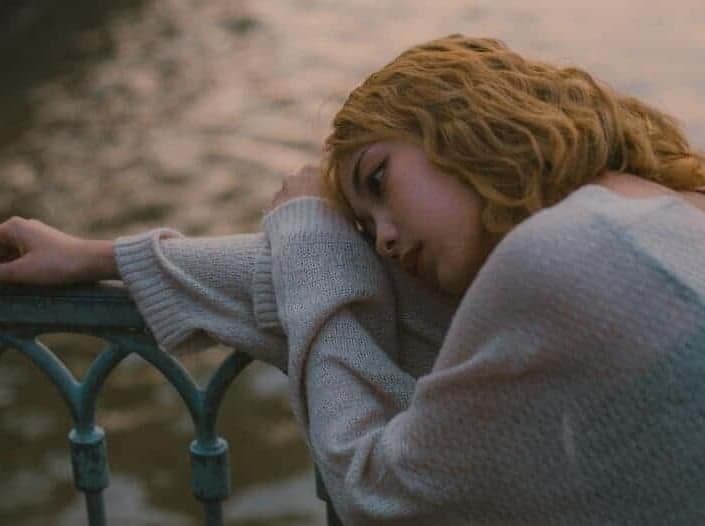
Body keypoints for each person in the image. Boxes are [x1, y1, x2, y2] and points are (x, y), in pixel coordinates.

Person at [2, 34, 705, 524]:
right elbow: (388, 291)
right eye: (364, 230)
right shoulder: (652, 216)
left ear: (470, 121)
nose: (387, 241)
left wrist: (312, 239)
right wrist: (101, 258)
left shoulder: (561, 256)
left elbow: (373, 490)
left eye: (378, 181)